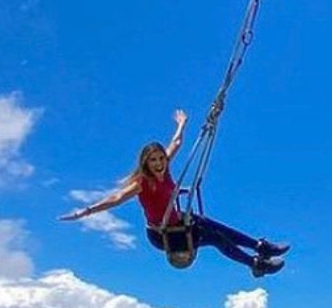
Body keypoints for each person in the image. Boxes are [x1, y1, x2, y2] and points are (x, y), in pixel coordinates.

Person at [60, 110, 288, 276]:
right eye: (153, 160)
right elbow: (116, 198)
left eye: (160, 159)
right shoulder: (142, 182)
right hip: (163, 235)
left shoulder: (165, 169)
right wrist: (85, 212)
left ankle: (261, 247)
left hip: (178, 223)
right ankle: (256, 265)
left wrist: (182, 123)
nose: (159, 163)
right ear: (145, 163)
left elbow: (176, 143)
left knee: (212, 224)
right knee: (217, 239)